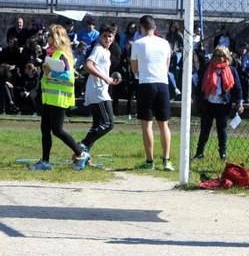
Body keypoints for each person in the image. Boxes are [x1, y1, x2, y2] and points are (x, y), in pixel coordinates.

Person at [32, 25, 91, 171]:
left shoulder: (62, 55)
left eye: (51, 36)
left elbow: (68, 77)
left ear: (57, 38)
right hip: (49, 98)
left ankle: (81, 153)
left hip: (59, 99)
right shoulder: (52, 53)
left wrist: (50, 72)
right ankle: (45, 161)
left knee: (57, 130)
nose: (48, 39)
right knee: (45, 129)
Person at [130, 14, 174, 171]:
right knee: (164, 124)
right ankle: (166, 160)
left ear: (142, 27)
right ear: (154, 27)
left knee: (147, 125)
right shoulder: (165, 43)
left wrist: (139, 75)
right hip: (162, 83)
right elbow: (167, 65)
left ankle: (150, 161)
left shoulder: (138, 43)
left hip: (146, 84)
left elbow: (134, 67)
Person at [193, 46, 243, 161]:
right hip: (208, 103)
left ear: (226, 57)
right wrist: (198, 100)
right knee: (205, 129)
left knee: (222, 129)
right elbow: (200, 85)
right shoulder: (207, 68)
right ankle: (199, 152)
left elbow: (238, 88)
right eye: (216, 55)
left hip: (223, 105)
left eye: (221, 55)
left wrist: (239, 102)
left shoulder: (231, 70)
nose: (218, 58)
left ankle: (223, 153)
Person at [77, 24, 121, 156]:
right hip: (98, 91)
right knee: (109, 123)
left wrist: (111, 79)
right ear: (99, 37)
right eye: (104, 36)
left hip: (97, 89)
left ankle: (83, 154)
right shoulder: (98, 49)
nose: (107, 39)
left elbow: (101, 69)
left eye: (110, 36)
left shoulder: (106, 51)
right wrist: (105, 78)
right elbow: (88, 65)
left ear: (113, 37)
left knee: (97, 124)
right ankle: (83, 144)